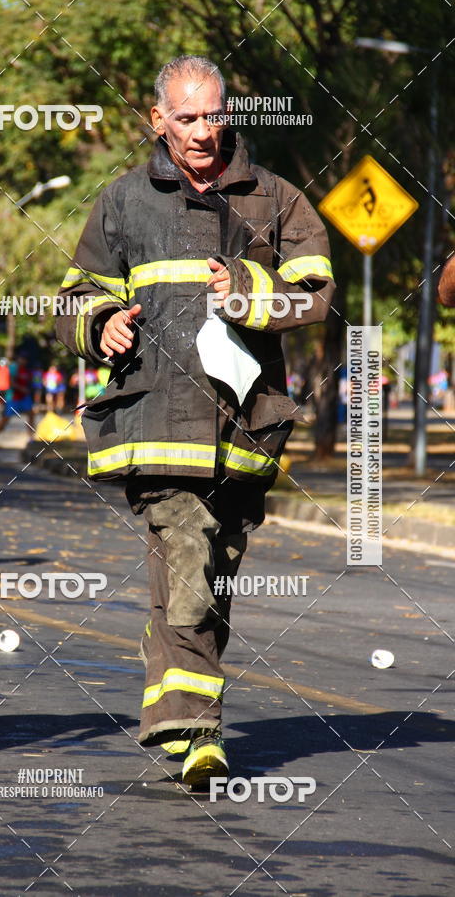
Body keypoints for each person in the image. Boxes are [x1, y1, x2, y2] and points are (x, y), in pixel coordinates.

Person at [55, 55, 334, 788]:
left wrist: (248, 288)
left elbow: (316, 294)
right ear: (157, 120)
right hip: (151, 417)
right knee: (186, 541)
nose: (203, 132)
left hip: (243, 429)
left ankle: (178, 715)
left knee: (210, 569)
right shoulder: (122, 202)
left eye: (213, 116)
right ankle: (200, 731)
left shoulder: (273, 197)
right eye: (186, 119)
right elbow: (73, 292)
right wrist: (101, 321)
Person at [0, 351, 34, 447]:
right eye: (22, 359)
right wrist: (22, 389)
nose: (24, 361)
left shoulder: (27, 370)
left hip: (24, 397)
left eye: (25, 359)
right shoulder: (14, 367)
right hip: (13, 397)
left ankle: (30, 438)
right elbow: (11, 382)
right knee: (5, 419)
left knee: (31, 414)